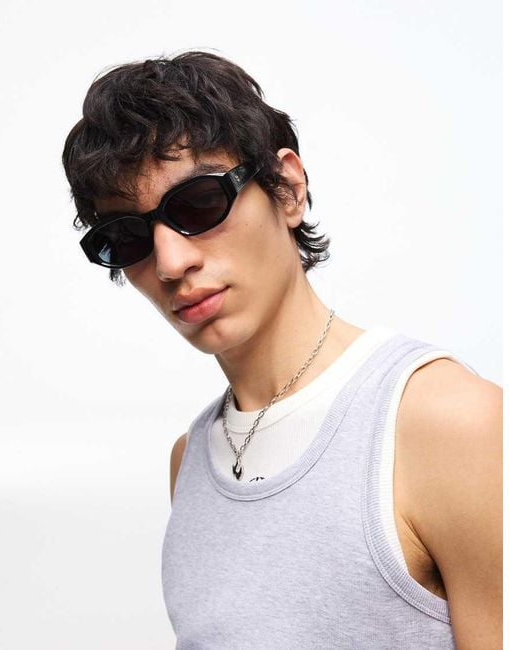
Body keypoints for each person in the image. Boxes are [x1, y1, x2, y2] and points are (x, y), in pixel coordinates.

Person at [62, 50, 502, 649]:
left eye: (197, 204)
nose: (170, 262)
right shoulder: (190, 461)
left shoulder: (447, 421)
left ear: (288, 189)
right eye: (128, 237)